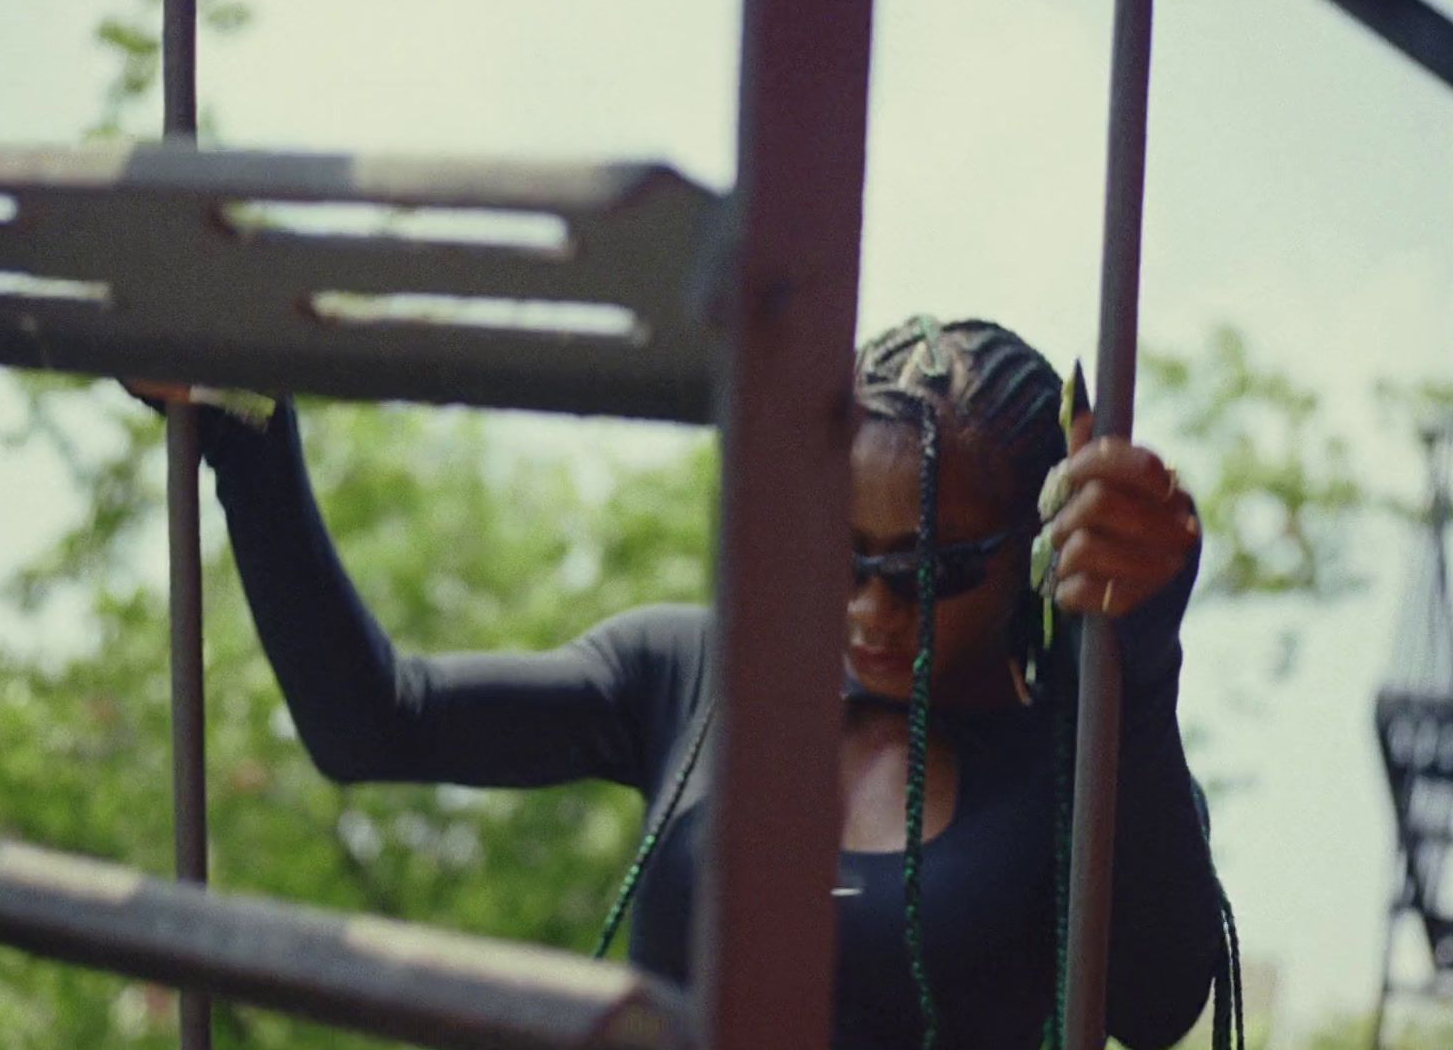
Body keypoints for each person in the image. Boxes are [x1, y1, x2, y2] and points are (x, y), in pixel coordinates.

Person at [140, 315, 1228, 1049]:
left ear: (1035, 553)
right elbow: (374, 723)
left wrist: (1136, 652)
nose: (870, 610)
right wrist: (244, 431)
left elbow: (1158, 997)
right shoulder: (695, 673)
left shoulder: (1080, 760)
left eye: (930, 570)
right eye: (839, 553)